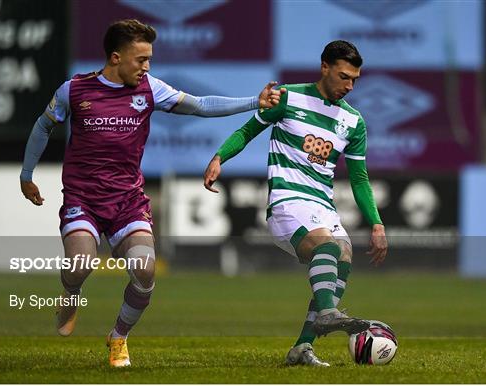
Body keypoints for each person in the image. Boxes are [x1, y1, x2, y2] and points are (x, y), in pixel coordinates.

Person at [20, 19, 284, 368]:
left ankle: (118, 338)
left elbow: (202, 105)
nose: (146, 66)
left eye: (149, 59)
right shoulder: (75, 90)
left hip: (128, 202)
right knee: (80, 263)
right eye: (140, 59)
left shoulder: (150, 89)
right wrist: (27, 175)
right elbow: (43, 125)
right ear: (116, 58)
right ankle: (70, 293)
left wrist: (256, 101)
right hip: (83, 199)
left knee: (144, 271)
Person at [203, 40, 388, 367]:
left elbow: (359, 179)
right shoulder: (287, 98)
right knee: (327, 247)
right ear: (325, 67)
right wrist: (220, 157)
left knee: (344, 256)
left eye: (355, 80)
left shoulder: (354, 121)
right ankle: (328, 314)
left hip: (322, 204)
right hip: (287, 200)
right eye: (344, 76)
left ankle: (303, 347)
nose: (349, 86)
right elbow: (247, 131)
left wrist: (375, 222)